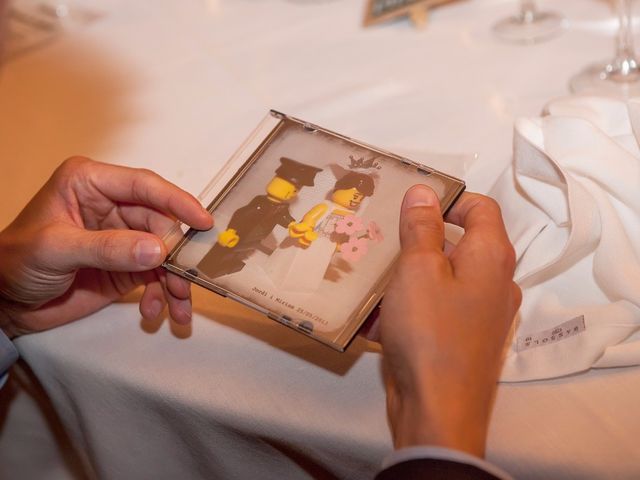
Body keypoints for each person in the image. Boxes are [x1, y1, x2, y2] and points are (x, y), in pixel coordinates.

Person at [0, 157, 520, 479]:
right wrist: (444, 413)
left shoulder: (337, 214)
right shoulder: (310, 210)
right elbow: (296, 227)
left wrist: (6, 309)